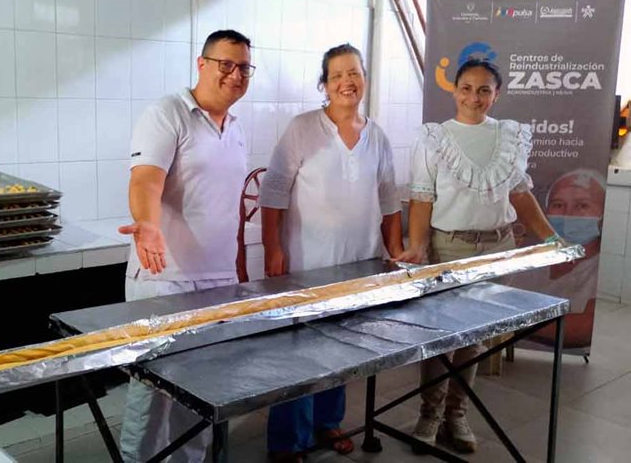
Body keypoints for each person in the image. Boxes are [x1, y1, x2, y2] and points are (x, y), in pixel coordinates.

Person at [393, 59, 560, 454]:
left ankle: (457, 414)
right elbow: (421, 198)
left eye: (484, 90)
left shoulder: (510, 136)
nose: (474, 97)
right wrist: (417, 247)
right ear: (454, 91)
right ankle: (429, 416)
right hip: (449, 248)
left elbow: (520, 194)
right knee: (443, 340)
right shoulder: (434, 138)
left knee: (476, 340)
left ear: (496, 94)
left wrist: (552, 237)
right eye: (467, 88)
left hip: (498, 249)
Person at [258, 42, 403, 463]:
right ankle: (288, 440)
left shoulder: (377, 136)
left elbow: (390, 199)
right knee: (298, 351)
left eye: (353, 72)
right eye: (337, 75)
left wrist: (394, 250)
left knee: (344, 345)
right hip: (307, 262)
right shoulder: (303, 128)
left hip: (360, 261)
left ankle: (327, 421)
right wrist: (274, 250)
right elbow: (273, 192)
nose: (346, 81)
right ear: (324, 84)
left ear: (365, 78)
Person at [116, 29, 254, 463]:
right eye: (225, 64)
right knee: (152, 394)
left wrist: (237, 269)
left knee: (202, 391)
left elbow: (226, 206)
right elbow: (145, 180)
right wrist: (148, 225)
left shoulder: (236, 129)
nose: (235, 75)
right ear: (202, 64)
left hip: (217, 281)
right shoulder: (168, 113)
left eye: (244, 68)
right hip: (165, 281)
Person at [517, 169, 605, 349]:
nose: (568, 214)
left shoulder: (598, 270)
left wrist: (509, 322)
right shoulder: (529, 263)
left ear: (603, 215)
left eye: (582, 205)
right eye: (558, 205)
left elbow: (582, 329)